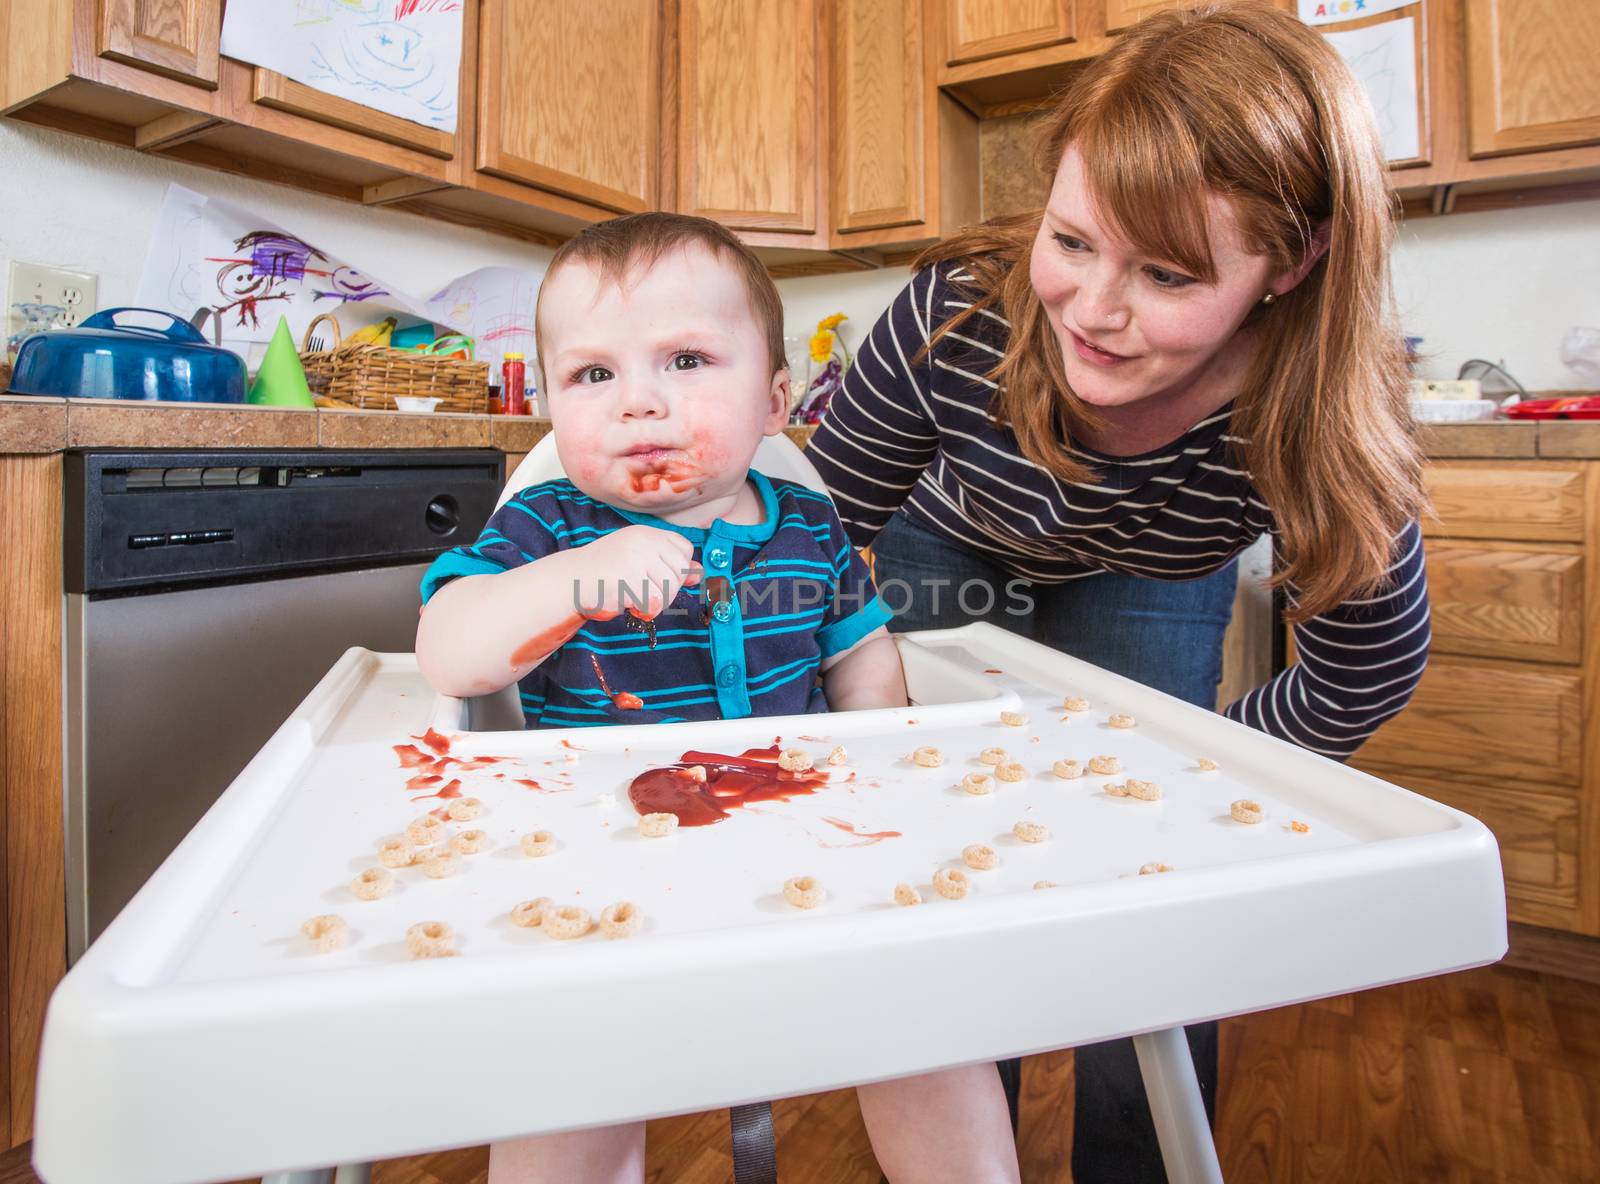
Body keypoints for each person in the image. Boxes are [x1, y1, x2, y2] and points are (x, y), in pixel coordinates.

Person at [804, 4, 1431, 1180]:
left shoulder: (1314, 414)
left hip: (1152, 571)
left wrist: (1182, 774)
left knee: (1151, 888)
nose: (1093, 308)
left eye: (1169, 273)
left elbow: (1363, 669)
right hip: (953, 549)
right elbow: (814, 537)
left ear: (1287, 268)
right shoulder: (951, 316)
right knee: (942, 875)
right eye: (1073, 240)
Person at [415, 212, 1022, 1184]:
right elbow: (449, 653)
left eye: (685, 359)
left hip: (813, 839)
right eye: (592, 374)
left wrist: (888, 774)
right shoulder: (548, 525)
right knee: (569, 1074)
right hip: (600, 860)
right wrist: (568, 582)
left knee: (927, 1019)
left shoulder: (813, 530)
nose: (638, 402)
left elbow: (865, 668)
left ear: (776, 399)